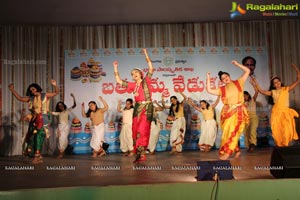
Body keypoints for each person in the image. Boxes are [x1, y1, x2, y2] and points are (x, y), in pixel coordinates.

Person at [113, 48, 154, 163]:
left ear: (140, 74)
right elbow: (119, 81)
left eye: (135, 72)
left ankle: (142, 152)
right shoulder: (132, 85)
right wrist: (115, 68)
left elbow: (151, 68)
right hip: (137, 108)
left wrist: (146, 53)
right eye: (132, 74)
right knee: (135, 130)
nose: (133, 74)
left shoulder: (146, 80)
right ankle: (140, 154)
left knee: (143, 129)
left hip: (147, 107)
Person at [206, 60, 250, 160]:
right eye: (223, 78)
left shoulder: (239, 82)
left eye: (226, 76)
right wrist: (208, 78)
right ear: (221, 81)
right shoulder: (222, 89)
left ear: (229, 76)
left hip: (239, 111)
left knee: (233, 132)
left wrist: (237, 64)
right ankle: (237, 150)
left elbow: (247, 71)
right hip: (228, 113)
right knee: (227, 132)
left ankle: (228, 152)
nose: (225, 79)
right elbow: (209, 90)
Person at [8, 80, 59, 164]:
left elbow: (56, 92)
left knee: (38, 136)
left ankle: (36, 156)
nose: (32, 91)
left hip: (43, 117)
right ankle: (39, 156)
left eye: (33, 89)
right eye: (31, 90)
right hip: (34, 118)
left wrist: (55, 85)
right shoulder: (31, 98)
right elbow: (20, 98)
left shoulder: (44, 95)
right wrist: (12, 90)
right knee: (32, 137)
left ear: (37, 88)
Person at [250, 64, 300, 147]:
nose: (277, 83)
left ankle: (285, 145)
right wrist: (255, 82)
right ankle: (280, 146)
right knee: (277, 130)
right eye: (275, 82)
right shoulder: (272, 92)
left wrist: (297, 71)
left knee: (287, 130)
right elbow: (261, 91)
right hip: (276, 113)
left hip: (285, 112)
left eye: (278, 81)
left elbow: (298, 81)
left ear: (280, 82)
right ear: (273, 85)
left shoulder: (286, 89)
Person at [51, 93, 76, 158]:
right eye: (59, 106)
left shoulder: (67, 111)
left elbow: (74, 105)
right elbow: (50, 112)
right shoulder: (58, 113)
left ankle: (61, 153)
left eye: (61, 105)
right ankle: (62, 152)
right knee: (60, 139)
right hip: (60, 126)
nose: (60, 107)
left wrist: (73, 97)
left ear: (64, 106)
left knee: (63, 139)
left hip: (66, 126)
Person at [243, 86, 259, 152]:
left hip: (253, 118)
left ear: (248, 95)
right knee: (246, 133)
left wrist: (253, 84)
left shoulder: (253, 99)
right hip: (245, 119)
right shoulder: (241, 103)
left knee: (252, 131)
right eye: (243, 96)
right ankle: (249, 146)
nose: (245, 97)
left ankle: (252, 144)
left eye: (245, 95)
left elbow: (257, 92)